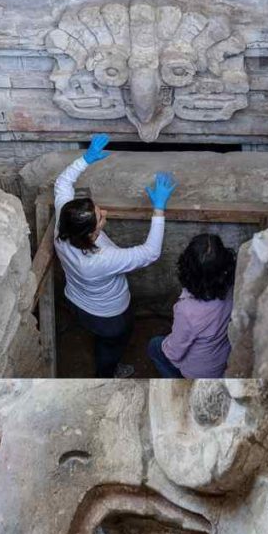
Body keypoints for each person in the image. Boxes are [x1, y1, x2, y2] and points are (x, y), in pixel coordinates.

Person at [55, 133, 177, 378]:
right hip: (108, 314)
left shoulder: (63, 225)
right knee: (113, 342)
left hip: (77, 300)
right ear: (92, 233)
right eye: (100, 216)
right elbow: (150, 253)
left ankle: (105, 356)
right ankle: (107, 372)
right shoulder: (100, 260)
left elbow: (62, 183)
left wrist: (85, 159)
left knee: (102, 336)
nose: (105, 212)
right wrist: (159, 209)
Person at [147, 234, 236, 378]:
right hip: (222, 359)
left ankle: (178, 383)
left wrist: (168, 340)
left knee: (154, 345)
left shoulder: (187, 310)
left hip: (198, 371)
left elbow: (174, 353)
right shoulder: (233, 286)